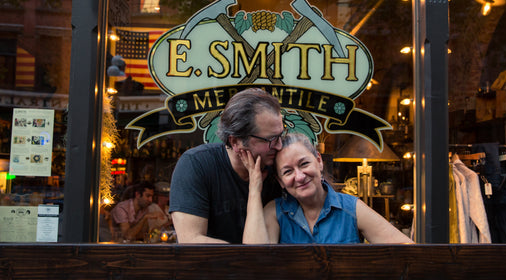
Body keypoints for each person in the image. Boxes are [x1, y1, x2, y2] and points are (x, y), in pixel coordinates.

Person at [240, 133, 414, 244]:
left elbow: (406, 250)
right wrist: (255, 189)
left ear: (319, 161)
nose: (299, 176)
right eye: (288, 171)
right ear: (280, 181)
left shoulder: (350, 207)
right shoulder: (275, 212)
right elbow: (255, 261)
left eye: (304, 164)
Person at [169, 88, 284, 243]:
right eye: (270, 139)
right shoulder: (197, 165)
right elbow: (191, 241)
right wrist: (245, 259)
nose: (279, 146)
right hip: (211, 267)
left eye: (281, 135)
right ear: (235, 142)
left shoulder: (280, 167)